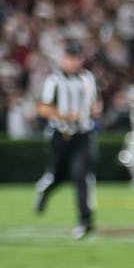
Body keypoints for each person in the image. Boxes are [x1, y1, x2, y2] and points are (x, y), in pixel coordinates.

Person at [34, 42, 101, 239]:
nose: (73, 62)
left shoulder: (88, 78)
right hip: (61, 135)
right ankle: (45, 191)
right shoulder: (53, 81)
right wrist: (63, 116)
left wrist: (94, 110)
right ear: (64, 59)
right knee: (59, 175)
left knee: (81, 175)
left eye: (76, 58)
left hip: (83, 135)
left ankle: (85, 220)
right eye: (70, 58)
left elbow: (95, 102)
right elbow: (43, 108)